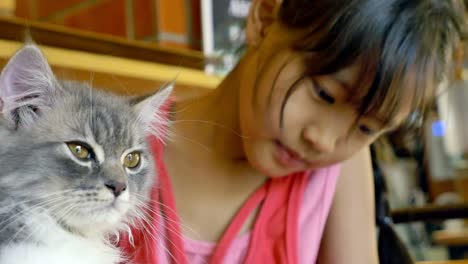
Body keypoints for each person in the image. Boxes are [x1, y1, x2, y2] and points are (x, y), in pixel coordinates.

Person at [121, 0, 466, 263]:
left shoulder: (337, 170)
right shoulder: (121, 146)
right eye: (324, 94)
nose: (325, 141)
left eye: (365, 128)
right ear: (265, 18)